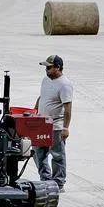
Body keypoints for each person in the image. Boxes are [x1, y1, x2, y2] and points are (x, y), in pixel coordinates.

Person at [33, 55, 73, 191]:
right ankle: (45, 179)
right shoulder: (45, 80)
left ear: (58, 67)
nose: (46, 70)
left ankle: (58, 183)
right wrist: (35, 109)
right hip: (41, 123)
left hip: (55, 125)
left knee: (57, 154)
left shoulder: (65, 84)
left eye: (49, 67)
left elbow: (68, 108)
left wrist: (65, 128)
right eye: (45, 67)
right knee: (38, 152)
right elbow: (42, 96)